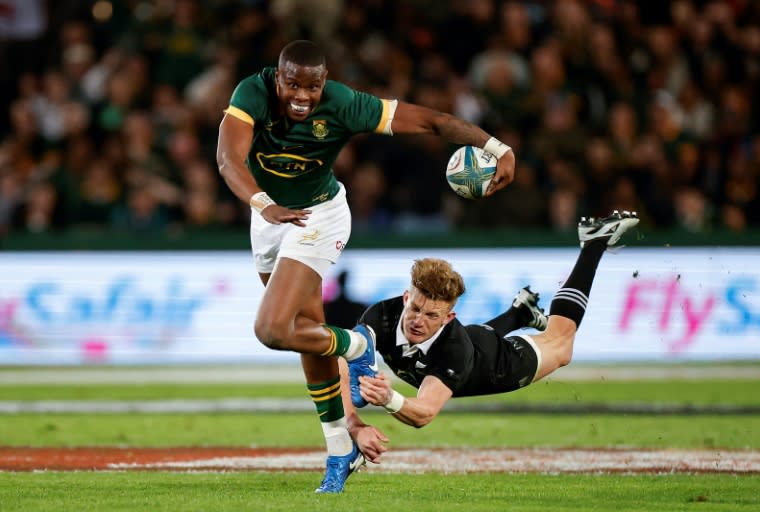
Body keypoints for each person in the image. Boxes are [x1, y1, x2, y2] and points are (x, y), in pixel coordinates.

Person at [215, 39, 516, 493]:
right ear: (277, 79)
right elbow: (226, 158)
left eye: (312, 87)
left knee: (273, 329)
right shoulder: (250, 94)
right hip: (270, 217)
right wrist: (264, 204)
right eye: (292, 84)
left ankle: (356, 346)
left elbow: (432, 121)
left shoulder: (345, 104)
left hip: (318, 216)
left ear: (324, 83)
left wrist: (496, 145)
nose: (302, 95)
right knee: (306, 334)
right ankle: (340, 447)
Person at [342, 210, 639, 464]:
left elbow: (425, 413)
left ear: (448, 318)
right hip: (472, 338)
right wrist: (355, 426)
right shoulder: (380, 315)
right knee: (465, 342)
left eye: (432, 316)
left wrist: (389, 398)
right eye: (415, 308)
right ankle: (518, 314)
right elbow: (341, 363)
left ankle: (592, 244)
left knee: (561, 344)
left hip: (496, 362)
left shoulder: (453, 349)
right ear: (406, 296)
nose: (418, 321)